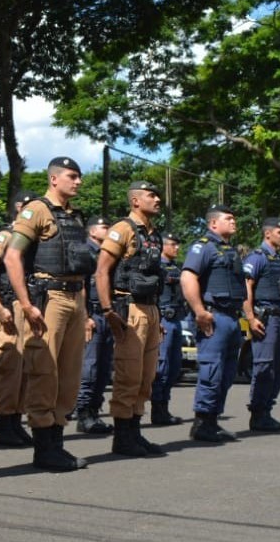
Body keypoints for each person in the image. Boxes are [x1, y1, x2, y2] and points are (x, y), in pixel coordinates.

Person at [4, 156, 91, 472]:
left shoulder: (74, 217)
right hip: (48, 298)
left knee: (68, 375)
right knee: (45, 372)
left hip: (74, 297)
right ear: (54, 179)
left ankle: (57, 442)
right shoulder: (36, 210)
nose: (78, 181)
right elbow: (12, 257)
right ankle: (43, 448)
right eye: (72, 175)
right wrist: (26, 304)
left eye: (79, 176)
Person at [94, 181, 167, 457]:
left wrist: (157, 314)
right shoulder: (122, 229)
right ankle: (123, 438)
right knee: (128, 375)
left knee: (146, 377)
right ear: (136, 200)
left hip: (150, 308)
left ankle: (135, 432)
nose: (157, 199)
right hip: (130, 308)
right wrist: (107, 310)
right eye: (151, 195)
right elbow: (102, 271)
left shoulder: (153, 234)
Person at [180, 205, 246, 443]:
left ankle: (213, 421)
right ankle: (201, 424)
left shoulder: (229, 250)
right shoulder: (203, 247)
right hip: (214, 317)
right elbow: (188, 277)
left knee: (227, 374)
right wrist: (199, 311)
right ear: (213, 224)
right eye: (229, 218)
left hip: (231, 318)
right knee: (212, 371)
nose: (234, 222)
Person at [0, 190, 36, 447]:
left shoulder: (31, 239)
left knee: (26, 367)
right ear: (18, 208)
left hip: (29, 307)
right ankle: (5, 426)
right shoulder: (5, 236)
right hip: (11, 307)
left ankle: (16, 422)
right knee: (10, 367)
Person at [243, 217, 280, 432]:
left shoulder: (277, 259)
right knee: (264, 365)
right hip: (266, 318)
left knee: (278, 368)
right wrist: (251, 318)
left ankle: (267, 411)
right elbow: (247, 289)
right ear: (268, 234)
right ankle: (258, 413)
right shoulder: (257, 257)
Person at [75, 217, 115, 436]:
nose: (108, 230)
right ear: (92, 231)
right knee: (89, 367)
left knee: (103, 368)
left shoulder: (106, 254)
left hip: (106, 315)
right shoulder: (85, 252)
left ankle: (94, 412)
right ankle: (83, 414)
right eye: (104, 227)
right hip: (91, 316)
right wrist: (84, 316)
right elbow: (80, 285)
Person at [150, 233, 186, 426]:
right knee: (161, 367)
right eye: (173, 244)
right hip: (163, 319)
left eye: (178, 244)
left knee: (173, 367)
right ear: (163, 246)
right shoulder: (156, 266)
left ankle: (164, 406)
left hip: (177, 319)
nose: (177, 248)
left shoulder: (177, 267)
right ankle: (158, 409)